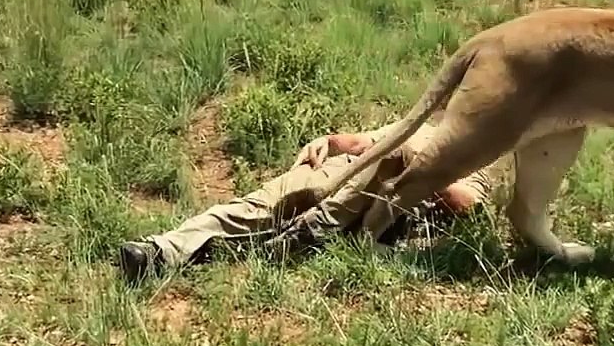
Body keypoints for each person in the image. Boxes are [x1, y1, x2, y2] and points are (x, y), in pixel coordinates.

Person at [118, 118, 505, 284]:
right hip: (338, 171)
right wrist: (329, 141)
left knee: (395, 155)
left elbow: (467, 205)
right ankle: (159, 252)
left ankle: (310, 229)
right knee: (258, 206)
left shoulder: (476, 158)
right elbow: (360, 142)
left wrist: (425, 168)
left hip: (378, 200)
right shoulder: (414, 124)